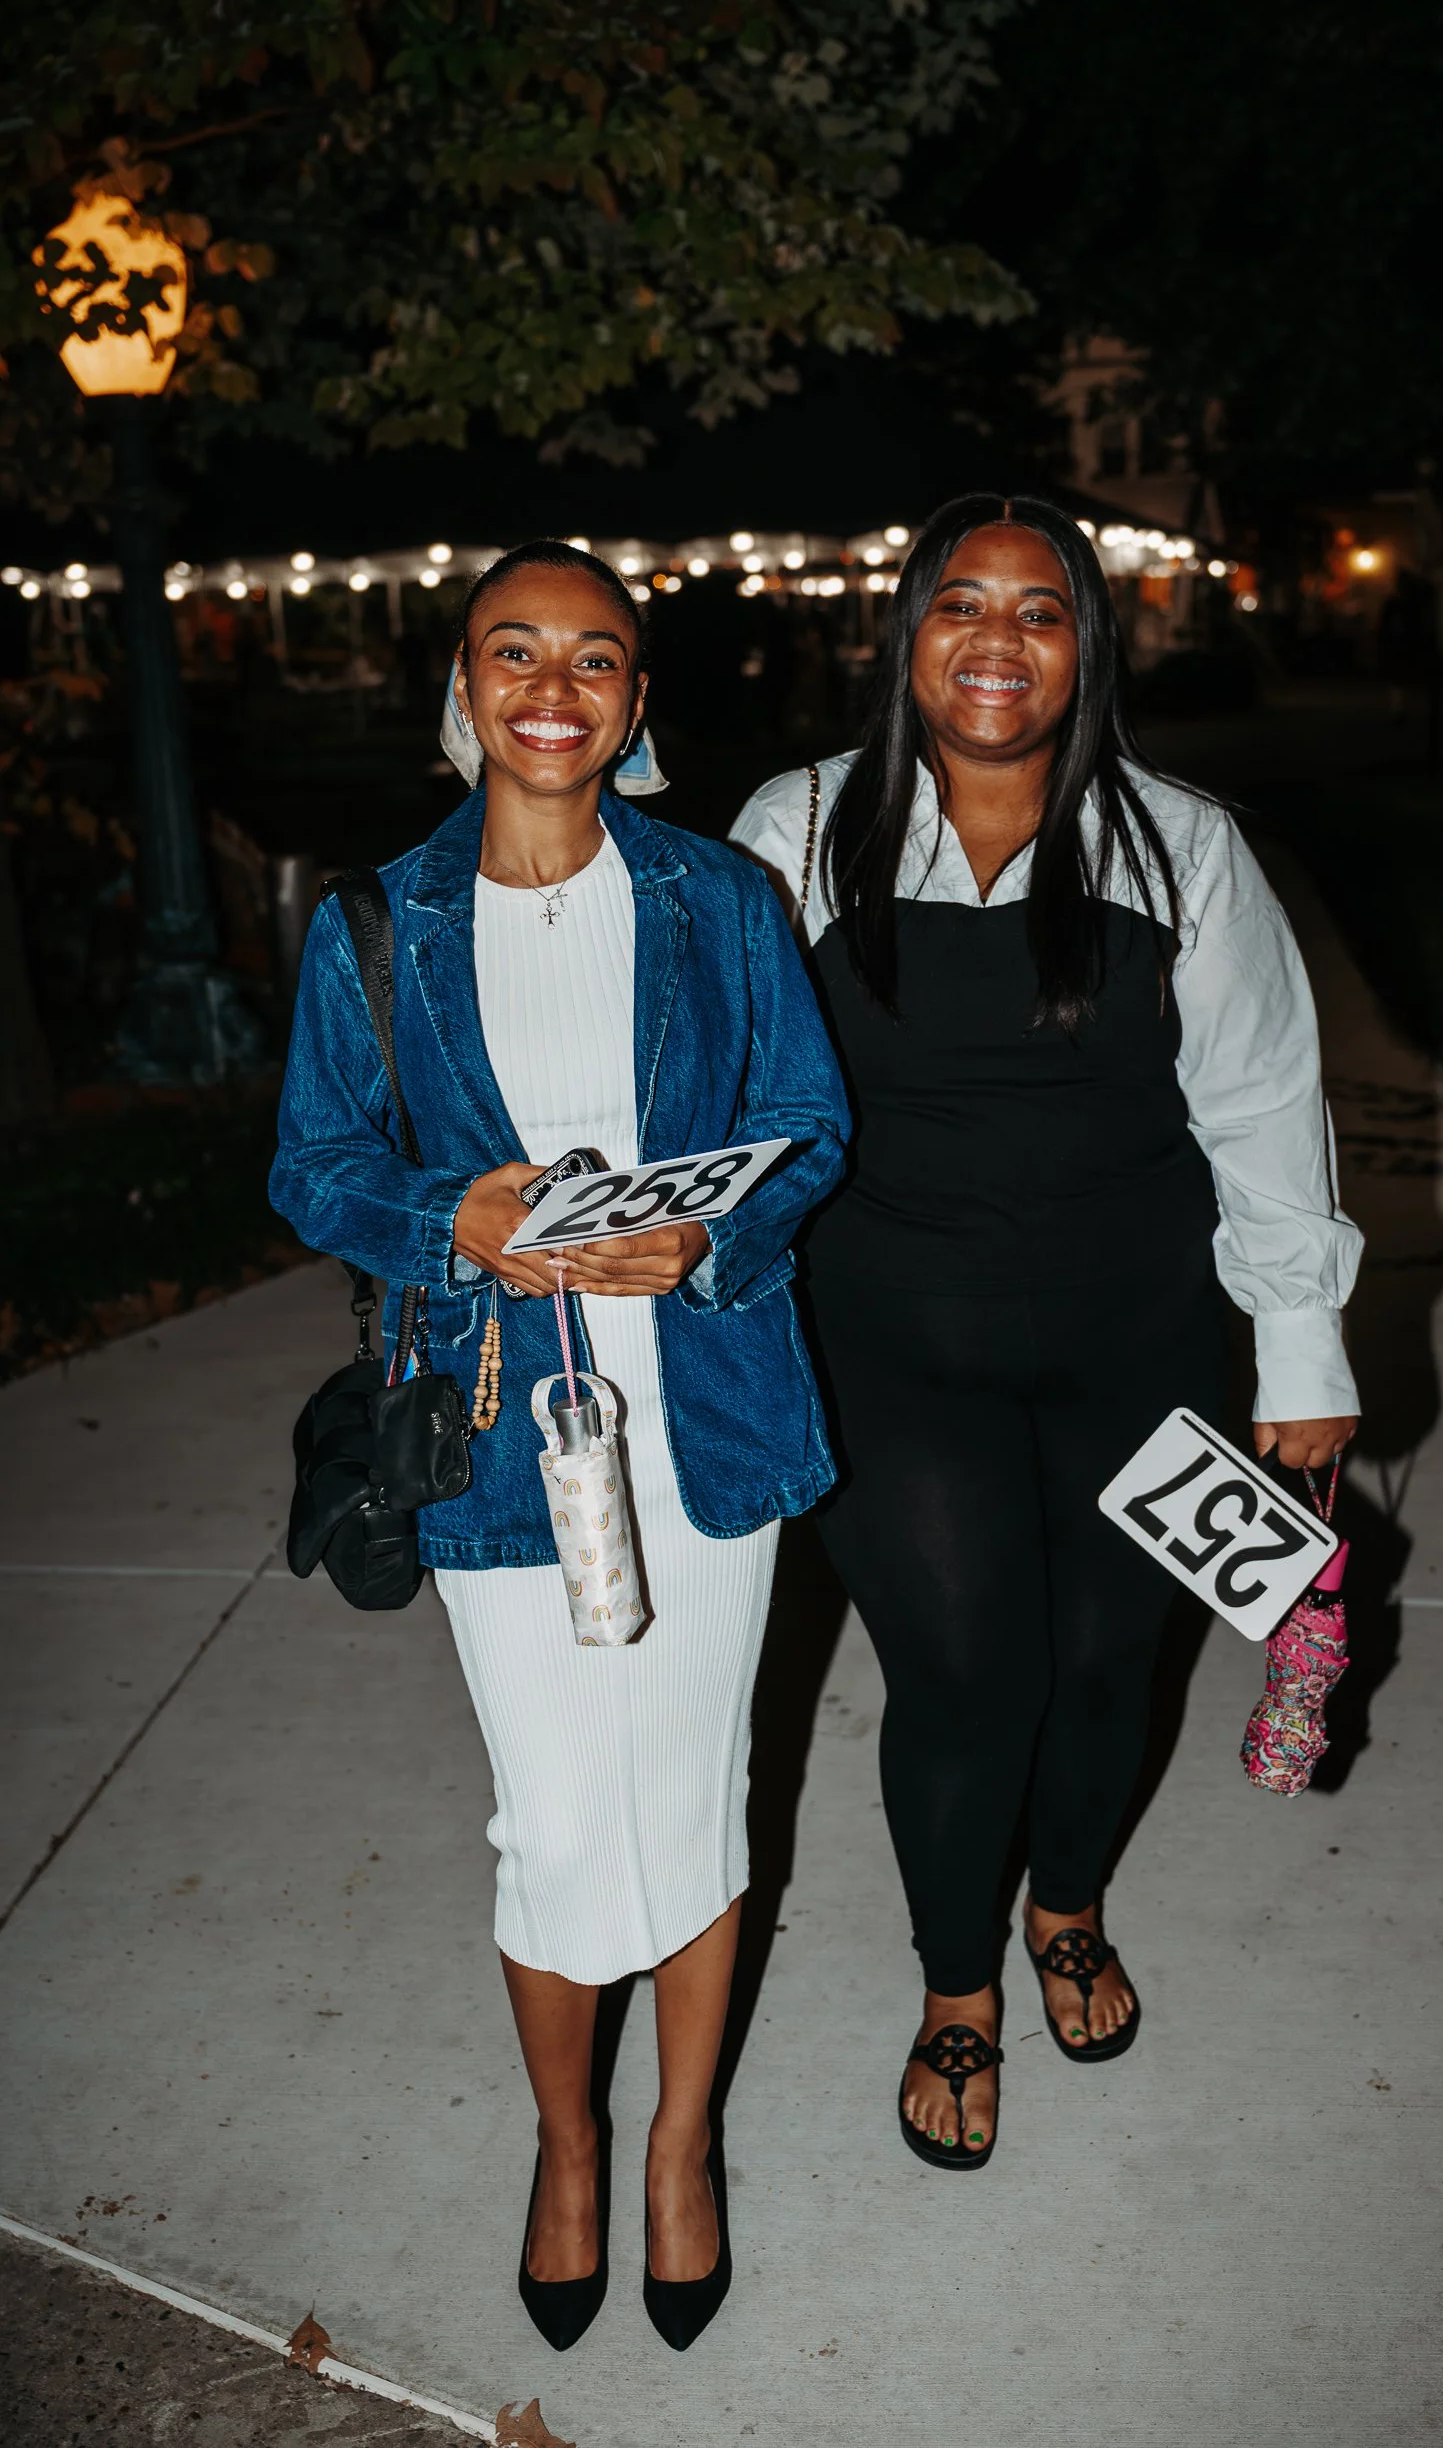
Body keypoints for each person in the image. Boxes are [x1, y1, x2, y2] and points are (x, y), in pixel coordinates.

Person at [731, 495, 1361, 2169]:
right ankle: (956, 1990)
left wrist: (1300, 1359)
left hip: (1137, 1332)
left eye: (1040, 610)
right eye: (959, 604)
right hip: (886, 1333)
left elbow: (1261, 1107)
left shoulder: (1178, 843)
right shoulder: (796, 830)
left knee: (1105, 1666)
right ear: (904, 633)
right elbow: (703, 1065)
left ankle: (1064, 1906)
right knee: (963, 1670)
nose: (995, 642)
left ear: (1088, 645)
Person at [272, 540, 848, 2348]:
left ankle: (680, 2149)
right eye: (512, 650)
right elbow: (312, 1163)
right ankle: (568, 2149)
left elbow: (806, 1127)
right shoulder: (377, 919)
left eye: (594, 658)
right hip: (496, 1423)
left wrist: (710, 1235)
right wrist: (457, 1217)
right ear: (460, 685)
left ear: (636, 703)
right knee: (550, 1820)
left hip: (709, 1406)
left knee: (693, 1797)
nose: (552, 685)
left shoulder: (718, 899)